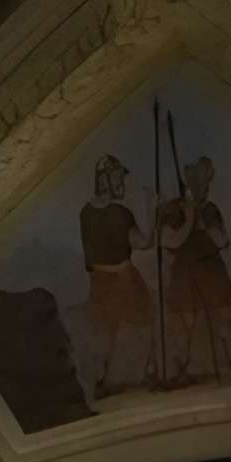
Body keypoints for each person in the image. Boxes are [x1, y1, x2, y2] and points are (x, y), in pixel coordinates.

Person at [156, 153, 231, 385]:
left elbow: (222, 240)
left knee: (224, 319)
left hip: (210, 268)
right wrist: (189, 218)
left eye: (204, 183)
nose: (201, 187)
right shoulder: (175, 209)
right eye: (195, 181)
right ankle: (179, 372)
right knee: (186, 323)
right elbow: (169, 240)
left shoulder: (210, 209)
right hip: (185, 271)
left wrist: (203, 223)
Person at [79, 156, 154, 396]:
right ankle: (135, 374)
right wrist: (152, 210)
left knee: (122, 328)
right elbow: (143, 242)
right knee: (113, 330)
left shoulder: (92, 212)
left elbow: (141, 243)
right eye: (117, 176)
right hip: (116, 280)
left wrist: (151, 210)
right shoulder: (112, 213)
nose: (121, 181)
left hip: (111, 279)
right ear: (105, 179)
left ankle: (144, 372)